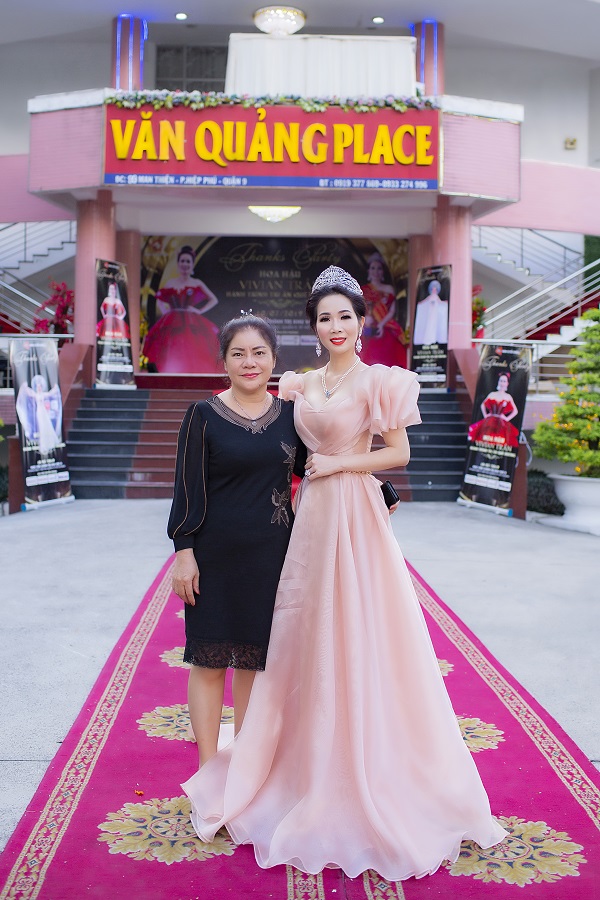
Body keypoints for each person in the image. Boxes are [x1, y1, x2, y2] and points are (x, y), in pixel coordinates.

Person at [181, 266, 507, 881]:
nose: (336, 327)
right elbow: (286, 451)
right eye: (325, 318)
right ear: (314, 327)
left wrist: (341, 468)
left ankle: (364, 759)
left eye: (345, 317)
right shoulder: (299, 385)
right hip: (307, 520)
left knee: (360, 625)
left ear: (362, 323)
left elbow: (399, 452)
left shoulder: (381, 381)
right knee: (302, 630)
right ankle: (294, 756)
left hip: (353, 513)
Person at [167, 314, 306, 768]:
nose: (250, 362)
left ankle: (245, 766)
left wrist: (377, 491)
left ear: (274, 360)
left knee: (252, 662)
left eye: (259, 353)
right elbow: (186, 488)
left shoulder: (291, 417)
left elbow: (324, 466)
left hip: (272, 557)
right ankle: (209, 769)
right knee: (209, 661)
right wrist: (184, 552)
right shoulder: (203, 415)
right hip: (214, 557)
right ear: (224, 361)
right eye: (238, 354)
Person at [143, 245, 220, 373]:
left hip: (191, 321)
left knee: (193, 347)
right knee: (171, 347)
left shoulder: (196, 283)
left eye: (188, 261)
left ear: (192, 264)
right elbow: (159, 299)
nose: (185, 264)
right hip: (172, 321)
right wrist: (166, 312)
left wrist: (199, 311)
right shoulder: (171, 283)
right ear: (178, 263)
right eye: (182, 261)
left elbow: (214, 299)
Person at [360, 251, 408, 366]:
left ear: (382, 272)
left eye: (379, 268)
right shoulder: (363, 290)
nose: (376, 271)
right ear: (369, 271)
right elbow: (358, 309)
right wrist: (366, 320)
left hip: (386, 327)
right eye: (373, 268)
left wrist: (381, 324)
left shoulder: (389, 289)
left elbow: (392, 310)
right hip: (367, 329)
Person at [15, 373, 63, 456]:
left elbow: (51, 393)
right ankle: (42, 443)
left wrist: (55, 388)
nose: (39, 388)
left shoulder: (43, 394)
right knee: (40, 425)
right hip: (39, 412)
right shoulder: (35, 394)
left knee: (46, 425)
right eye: (38, 387)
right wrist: (24, 387)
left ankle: (48, 441)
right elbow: (29, 393)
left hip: (44, 412)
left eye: (40, 386)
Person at [468, 371, 520, 448]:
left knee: (500, 441)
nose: (502, 383)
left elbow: (515, 411)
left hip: (501, 423)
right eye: (501, 381)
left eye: (504, 381)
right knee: (486, 440)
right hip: (490, 421)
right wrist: (486, 415)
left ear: (507, 383)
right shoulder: (492, 394)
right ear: (498, 382)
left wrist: (506, 419)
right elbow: (482, 405)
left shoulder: (508, 396)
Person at [413, 278, 449, 346]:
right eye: (433, 289)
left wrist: (444, 303)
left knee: (433, 326)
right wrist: (420, 304)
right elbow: (425, 301)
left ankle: (433, 338)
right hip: (430, 314)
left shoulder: (436, 297)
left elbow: (440, 302)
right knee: (429, 325)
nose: (434, 290)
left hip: (434, 314)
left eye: (435, 289)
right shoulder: (430, 297)